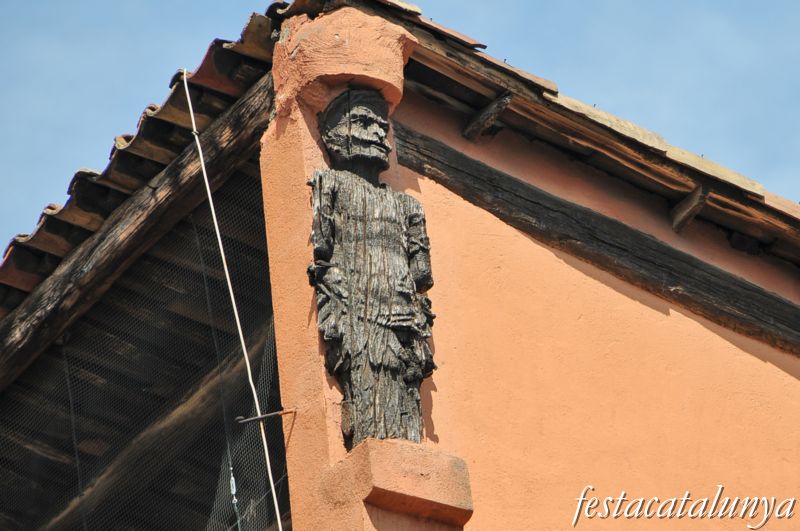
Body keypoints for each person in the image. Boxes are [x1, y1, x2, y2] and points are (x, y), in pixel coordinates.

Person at [307, 88, 435, 448]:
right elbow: (323, 246)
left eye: (383, 126)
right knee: (368, 382)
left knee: (404, 388)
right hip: (358, 311)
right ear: (332, 134)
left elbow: (422, 272)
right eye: (363, 121)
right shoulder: (329, 183)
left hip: (401, 314)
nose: (378, 132)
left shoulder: (408, 206)